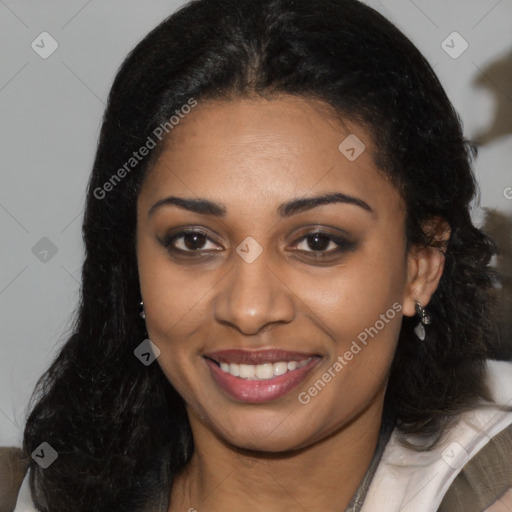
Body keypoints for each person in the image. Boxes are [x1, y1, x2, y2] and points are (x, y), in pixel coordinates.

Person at [6, 0, 512, 510]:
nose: (249, 310)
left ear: (419, 266)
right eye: (194, 241)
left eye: (318, 242)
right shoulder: (43, 491)